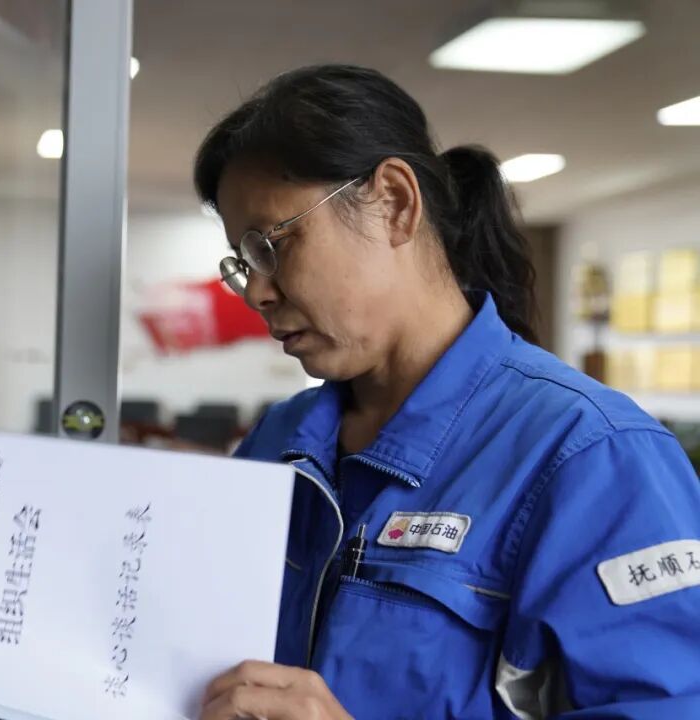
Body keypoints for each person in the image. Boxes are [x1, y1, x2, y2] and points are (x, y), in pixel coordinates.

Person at [192, 64, 700, 720]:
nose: (257, 292)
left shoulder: (593, 457)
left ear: (394, 203)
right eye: (243, 263)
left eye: (271, 245)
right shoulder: (278, 440)